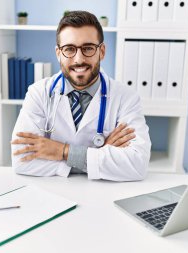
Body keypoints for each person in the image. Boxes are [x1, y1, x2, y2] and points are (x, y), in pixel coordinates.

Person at [11, 11, 151, 181]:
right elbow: (21, 161)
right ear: (58, 53)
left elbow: (138, 165)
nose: (79, 59)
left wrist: (62, 151)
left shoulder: (126, 98)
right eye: (69, 49)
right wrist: (97, 157)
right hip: (53, 195)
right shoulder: (39, 93)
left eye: (88, 48)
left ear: (102, 51)